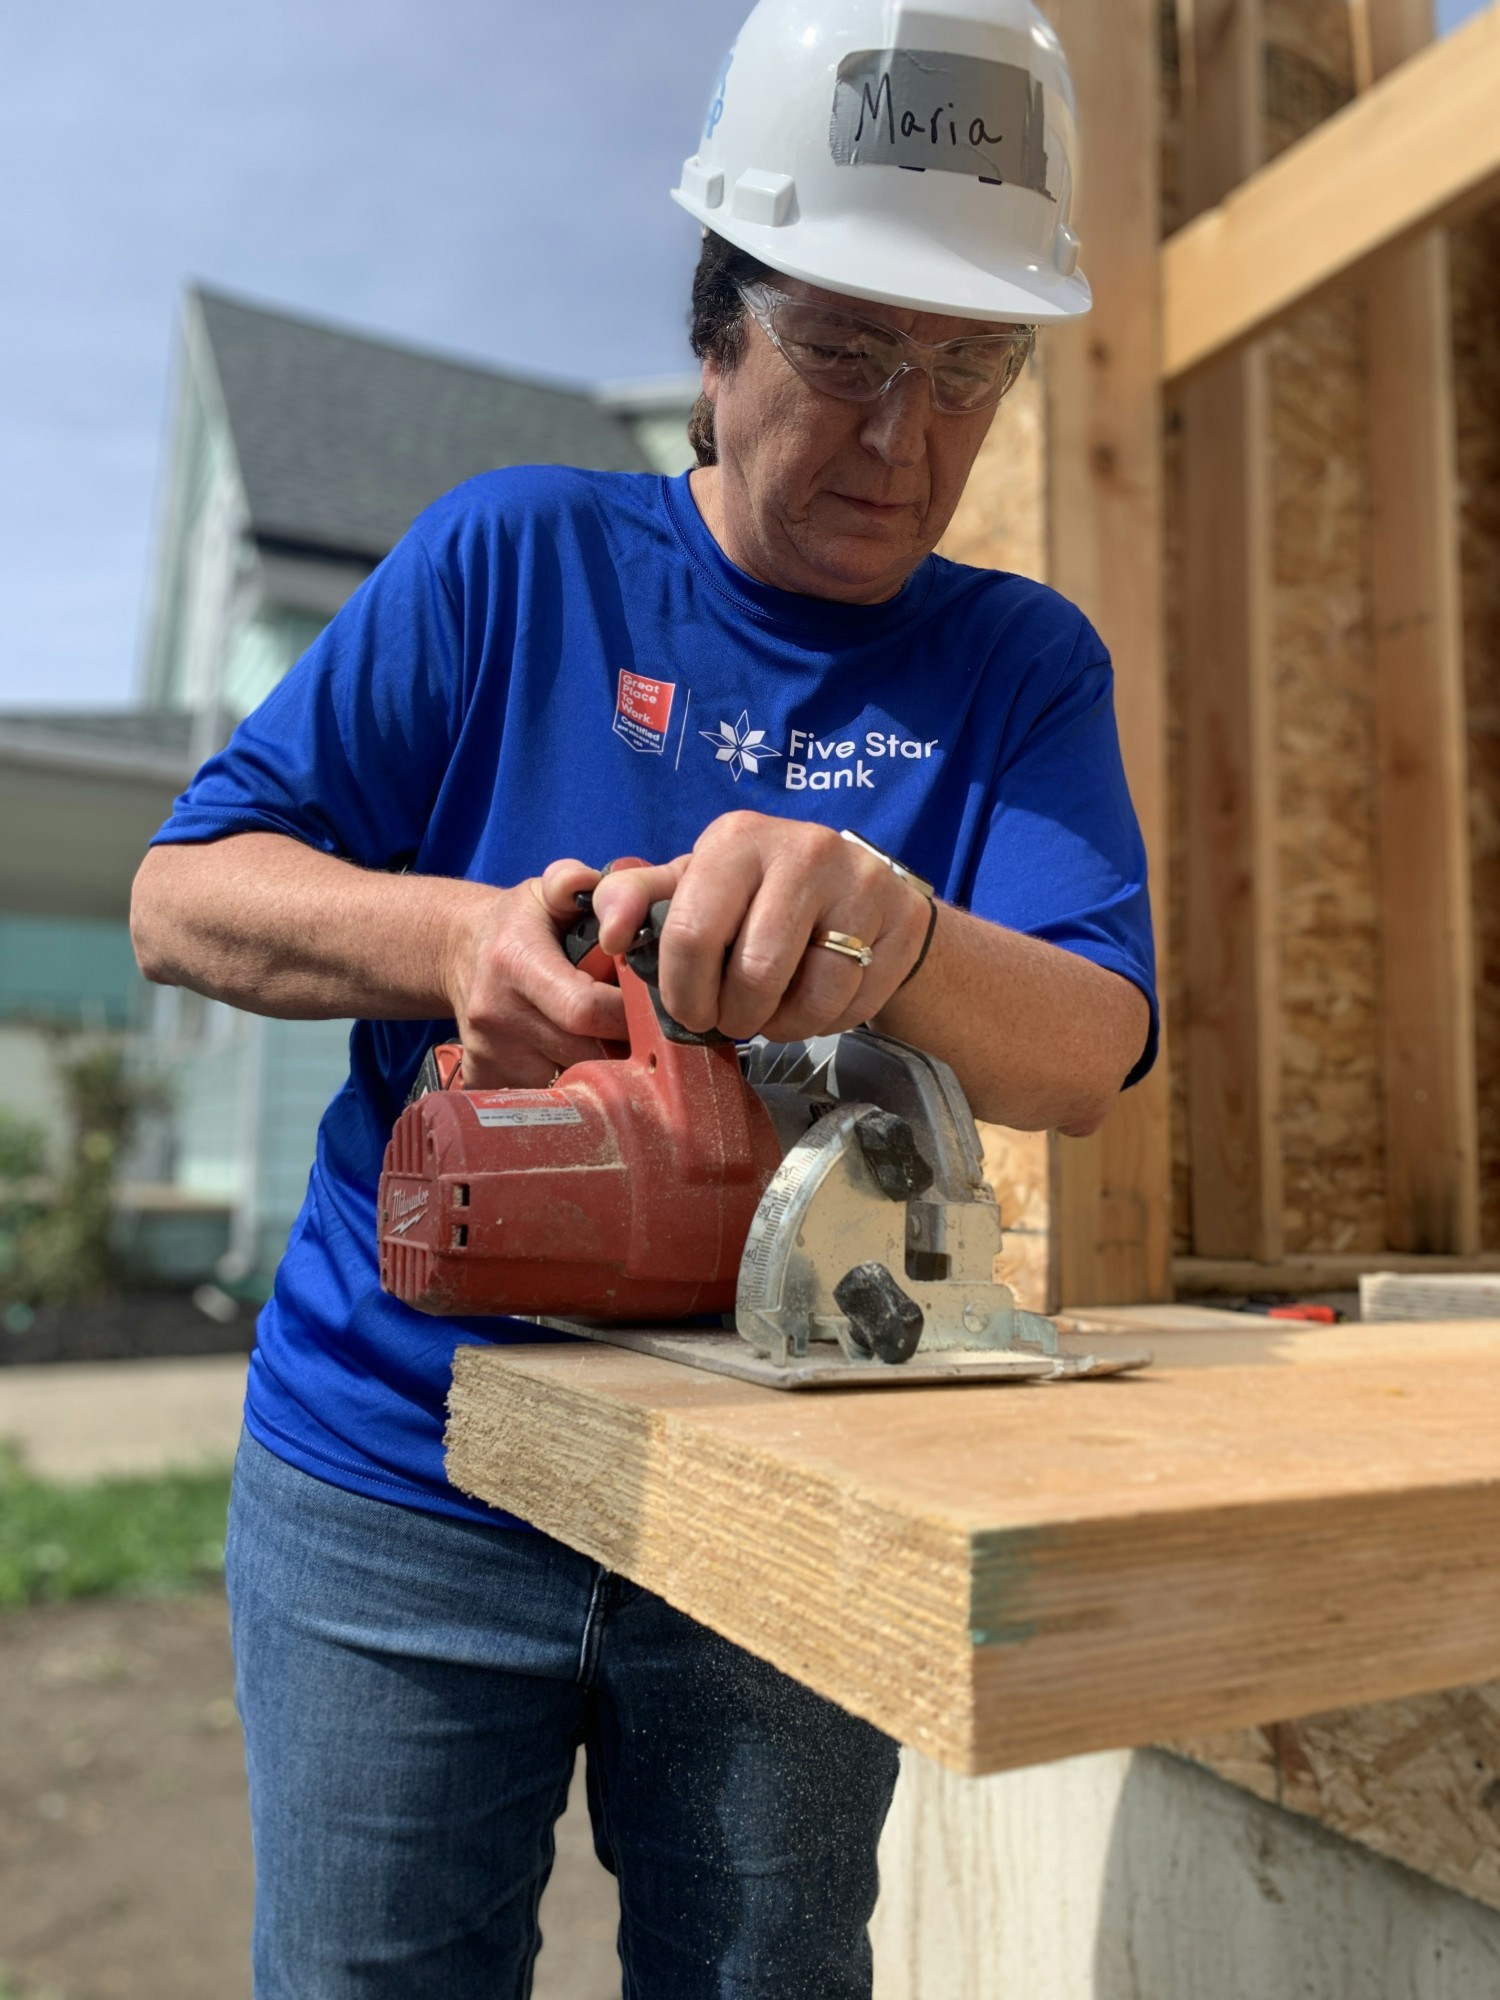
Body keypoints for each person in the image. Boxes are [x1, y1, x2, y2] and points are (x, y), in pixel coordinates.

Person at [130, 2, 1156, 1993]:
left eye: (968, 369)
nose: (903, 432)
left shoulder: (1017, 666)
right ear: (717, 333)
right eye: (846, 348)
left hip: (790, 1494)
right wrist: (454, 944)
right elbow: (182, 894)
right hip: (401, 1471)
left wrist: (900, 932)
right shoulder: (515, 561)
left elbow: (1097, 1046)